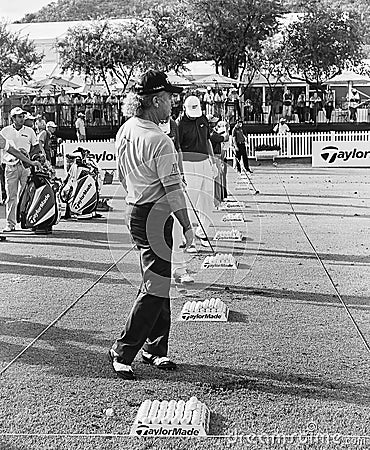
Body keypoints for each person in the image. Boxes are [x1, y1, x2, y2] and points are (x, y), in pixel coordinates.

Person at [110, 70, 193, 380]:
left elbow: (120, 175)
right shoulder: (159, 139)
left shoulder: (126, 129)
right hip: (155, 215)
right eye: (169, 98)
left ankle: (155, 349)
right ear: (156, 100)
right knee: (156, 287)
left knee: (158, 281)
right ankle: (123, 349)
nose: (173, 103)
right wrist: (187, 226)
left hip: (135, 209)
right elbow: (174, 191)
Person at [178, 95, 218, 250]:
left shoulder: (202, 119)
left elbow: (207, 140)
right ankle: (188, 237)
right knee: (190, 201)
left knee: (206, 198)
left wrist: (213, 161)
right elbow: (178, 147)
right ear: (184, 108)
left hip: (204, 163)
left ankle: (202, 232)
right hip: (188, 164)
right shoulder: (179, 123)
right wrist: (181, 170)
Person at [1, 107, 39, 232]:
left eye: (23, 116)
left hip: (25, 167)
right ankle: (10, 224)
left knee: (27, 194)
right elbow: (8, 150)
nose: (22, 119)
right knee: (11, 196)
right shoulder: (5, 131)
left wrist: (32, 160)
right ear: (13, 118)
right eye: (19, 116)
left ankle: (28, 221)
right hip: (10, 166)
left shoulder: (30, 131)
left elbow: (36, 148)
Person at [208, 115, 229, 207]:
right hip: (215, 157)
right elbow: (225, 138)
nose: (215, 123)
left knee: (218, 178)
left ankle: (218, 200)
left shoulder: (212, 132)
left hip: (215, 156)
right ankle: (217, 201)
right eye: (213, 122)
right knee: (217, 179)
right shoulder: (211, 133)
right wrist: (227, 130)